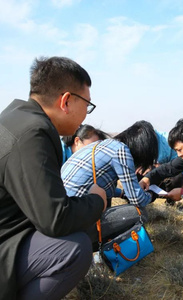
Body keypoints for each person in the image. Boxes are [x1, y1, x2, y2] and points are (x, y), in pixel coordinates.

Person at [0, 56, 107, 300]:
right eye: (87, 105)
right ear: (66, 100)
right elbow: (56, 219)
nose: (86, 115)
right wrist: (97, 201)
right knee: (73, 250)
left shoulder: (15, 117)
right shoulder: (33, 134)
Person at [61, 120, 159, 208]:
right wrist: (152, 194)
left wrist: (123, 193)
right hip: (75, 211)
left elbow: (94, 183)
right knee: (137, 214)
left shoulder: (101, 144)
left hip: (64, 207)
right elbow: (137, 200)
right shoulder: (122, 151)